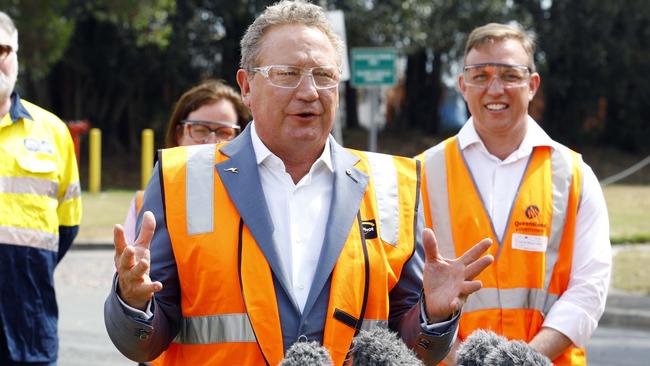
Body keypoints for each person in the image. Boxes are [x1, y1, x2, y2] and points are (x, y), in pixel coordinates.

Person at [104, 2, 494, 365]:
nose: (309, 92)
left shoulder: (393, 183)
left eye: (324, 75)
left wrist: (434, 315)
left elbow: (410, 349)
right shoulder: (182, 179)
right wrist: (132, 301)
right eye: (287, 74)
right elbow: (144, 342)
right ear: (246, 86)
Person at [417, 23, 611, 365]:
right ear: (463, 85)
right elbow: (403, 293)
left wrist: (525, 359)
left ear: (532, 85)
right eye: (480, 75)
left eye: (509, 75)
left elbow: (589, 288)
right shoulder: (419, 174)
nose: (495, 89)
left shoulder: (574, 175)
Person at [0, 11, 82, 366]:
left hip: (28, 330)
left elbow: (67, 226)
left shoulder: (52, 132)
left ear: (16, 56)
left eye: (2, 50)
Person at [122, 80, 250, 243]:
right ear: (178, 134)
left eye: (224, 132)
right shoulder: (142, 203)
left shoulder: (256, 200)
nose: (211, 142)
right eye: (199, 130)